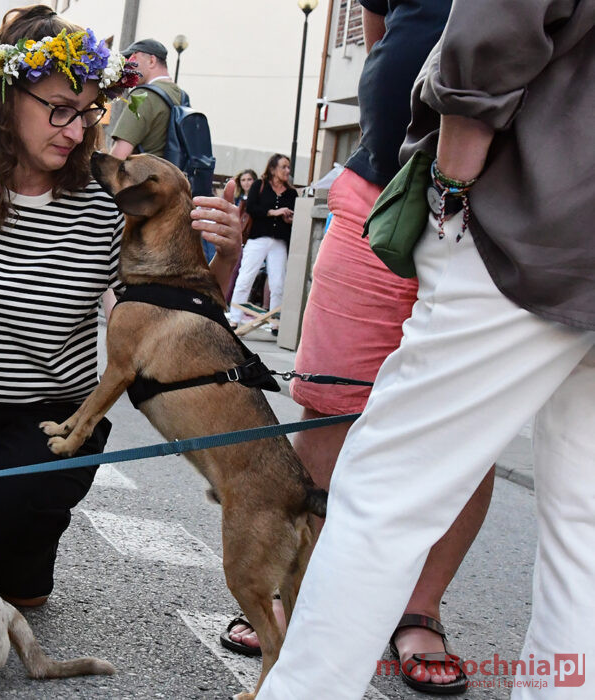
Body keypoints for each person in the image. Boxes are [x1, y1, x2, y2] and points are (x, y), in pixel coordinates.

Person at [258, 2, 595, 698]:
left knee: (388, 488)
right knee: (584, 528)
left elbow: (495, 30)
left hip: (535, 226)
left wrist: (447, 190)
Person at [0, 5, 242, 609]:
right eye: (59, 109)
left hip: (50, 412)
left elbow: (173, 317)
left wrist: (225, 258)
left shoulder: (105, 202)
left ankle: (25, 547)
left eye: (88, 112)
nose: (74, 131)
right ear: (5, 99)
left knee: (17, 512)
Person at [226, 4, 492, 696]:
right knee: (328, 403)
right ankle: (295, 593)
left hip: (497, 220)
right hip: (379, 192)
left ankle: (419, 610)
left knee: (470, 428)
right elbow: (382, 37)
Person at [227, 155, 296, 331]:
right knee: (245, 277)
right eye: (283, 167)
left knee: (278, 283)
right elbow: (251, 208)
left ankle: (275, 323)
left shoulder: (291, 193)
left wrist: (288, 219)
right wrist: (273, 212)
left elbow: (294, 216)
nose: (287, 170)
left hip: (279, 241)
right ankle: (234, 318)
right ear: (273, 169)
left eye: (288, 167)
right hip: (258, 239)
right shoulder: (260, 185)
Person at [108, 38, 182, 160]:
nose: (128, 65)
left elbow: (117, 157)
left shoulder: (143, 95)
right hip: (169, 170)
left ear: (152, 61)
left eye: (134, 59)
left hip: (142, 172)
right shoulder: (180, 94)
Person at [219, 169, 257, 305]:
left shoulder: (257, 199)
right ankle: (225, 301)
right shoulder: (238, 199)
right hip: (238, 238)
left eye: (249, 179)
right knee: (233, 271)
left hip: (252, 239)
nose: (246, 183)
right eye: (243, 180)